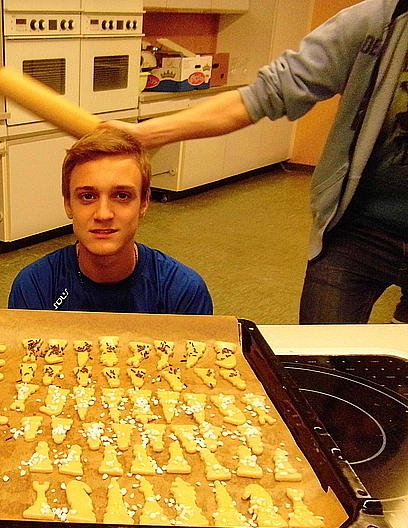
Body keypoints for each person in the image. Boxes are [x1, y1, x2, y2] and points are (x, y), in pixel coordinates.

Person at [107, 0, 408, 324]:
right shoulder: (375, 21)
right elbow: (265, 93)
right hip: (354, 230)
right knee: (319, 349)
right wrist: (145, 134)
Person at [8, 128, 212, 314]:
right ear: (68, 204)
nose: (103, 214)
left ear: (144, 203)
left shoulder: (182, 292)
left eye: (122, 196)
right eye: (88, 196)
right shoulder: (35, 287)